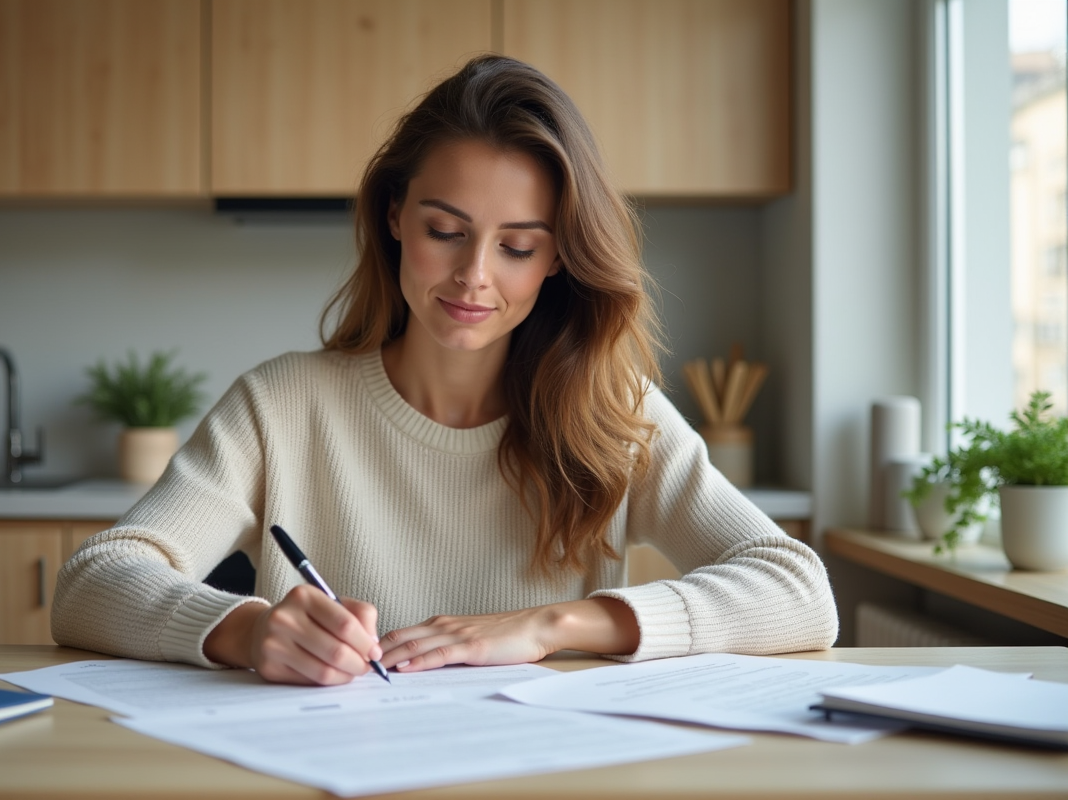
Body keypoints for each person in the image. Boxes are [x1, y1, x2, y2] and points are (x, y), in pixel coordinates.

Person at [51, 55, 837, 686]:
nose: (473, 278)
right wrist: (250, 629)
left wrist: (550, 625)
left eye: (518, 247)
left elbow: (800, 592)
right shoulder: (282, 403)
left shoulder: (613, 413)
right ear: (395, 217)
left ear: (558, 255)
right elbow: (92, 582)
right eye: (445, 230)